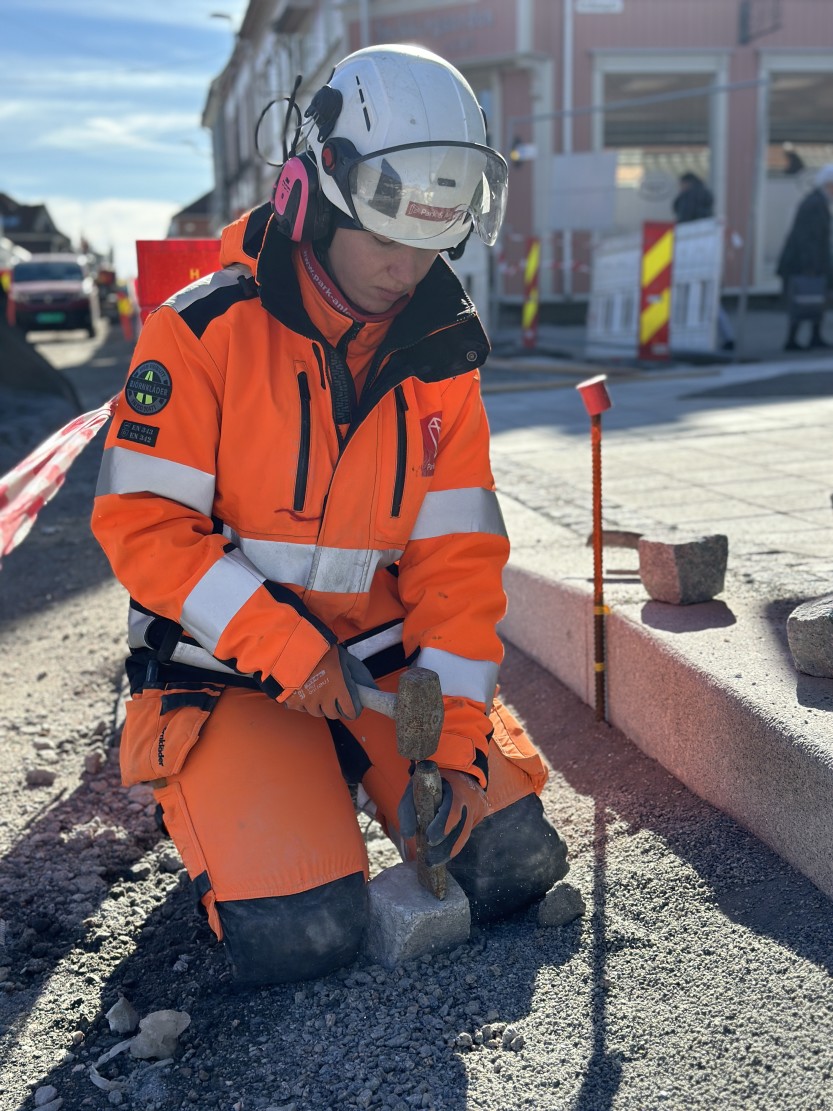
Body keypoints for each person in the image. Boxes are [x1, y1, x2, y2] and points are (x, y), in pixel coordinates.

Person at [91, 43, 569, 986]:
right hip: (229, 669)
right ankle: (257, 794)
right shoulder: (199, 334)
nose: (406, 272)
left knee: (510, 864)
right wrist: (283, 645)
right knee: (305, 934)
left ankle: (349, 773)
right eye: (385, 242)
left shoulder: (442, 363)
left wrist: (462, 742)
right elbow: (145, 526)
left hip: (379, 671)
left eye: (430, 244)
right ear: (309, 202)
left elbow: (459, 567)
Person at [672, 171, 735, 351]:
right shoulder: (706, 201)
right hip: (709, 254)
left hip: (688, 255)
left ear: (686, 183)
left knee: (686, 296)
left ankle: (687, 340)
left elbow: (682, 223)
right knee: (712, 299)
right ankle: (727, 335)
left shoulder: (686, 201)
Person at [776, 163, 833, 351]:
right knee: (803, 299)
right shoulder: (816, 204)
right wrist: (811, 266)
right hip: (803, 264)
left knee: (810, 299)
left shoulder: (816, 202)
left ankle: (813, 336)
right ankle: (794, 339)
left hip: (805, 262)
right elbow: (808, 238)